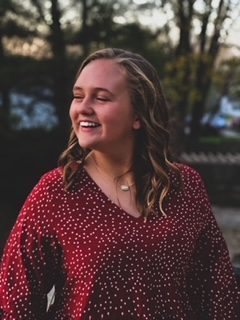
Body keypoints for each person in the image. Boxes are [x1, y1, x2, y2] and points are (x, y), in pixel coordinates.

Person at [0, 48, 239, 320]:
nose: (83, 108)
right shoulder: (56, 191)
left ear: (138, 115)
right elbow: (16, 304)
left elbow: (219, 293)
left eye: (101, 98)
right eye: (78, 96)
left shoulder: (185, 186)